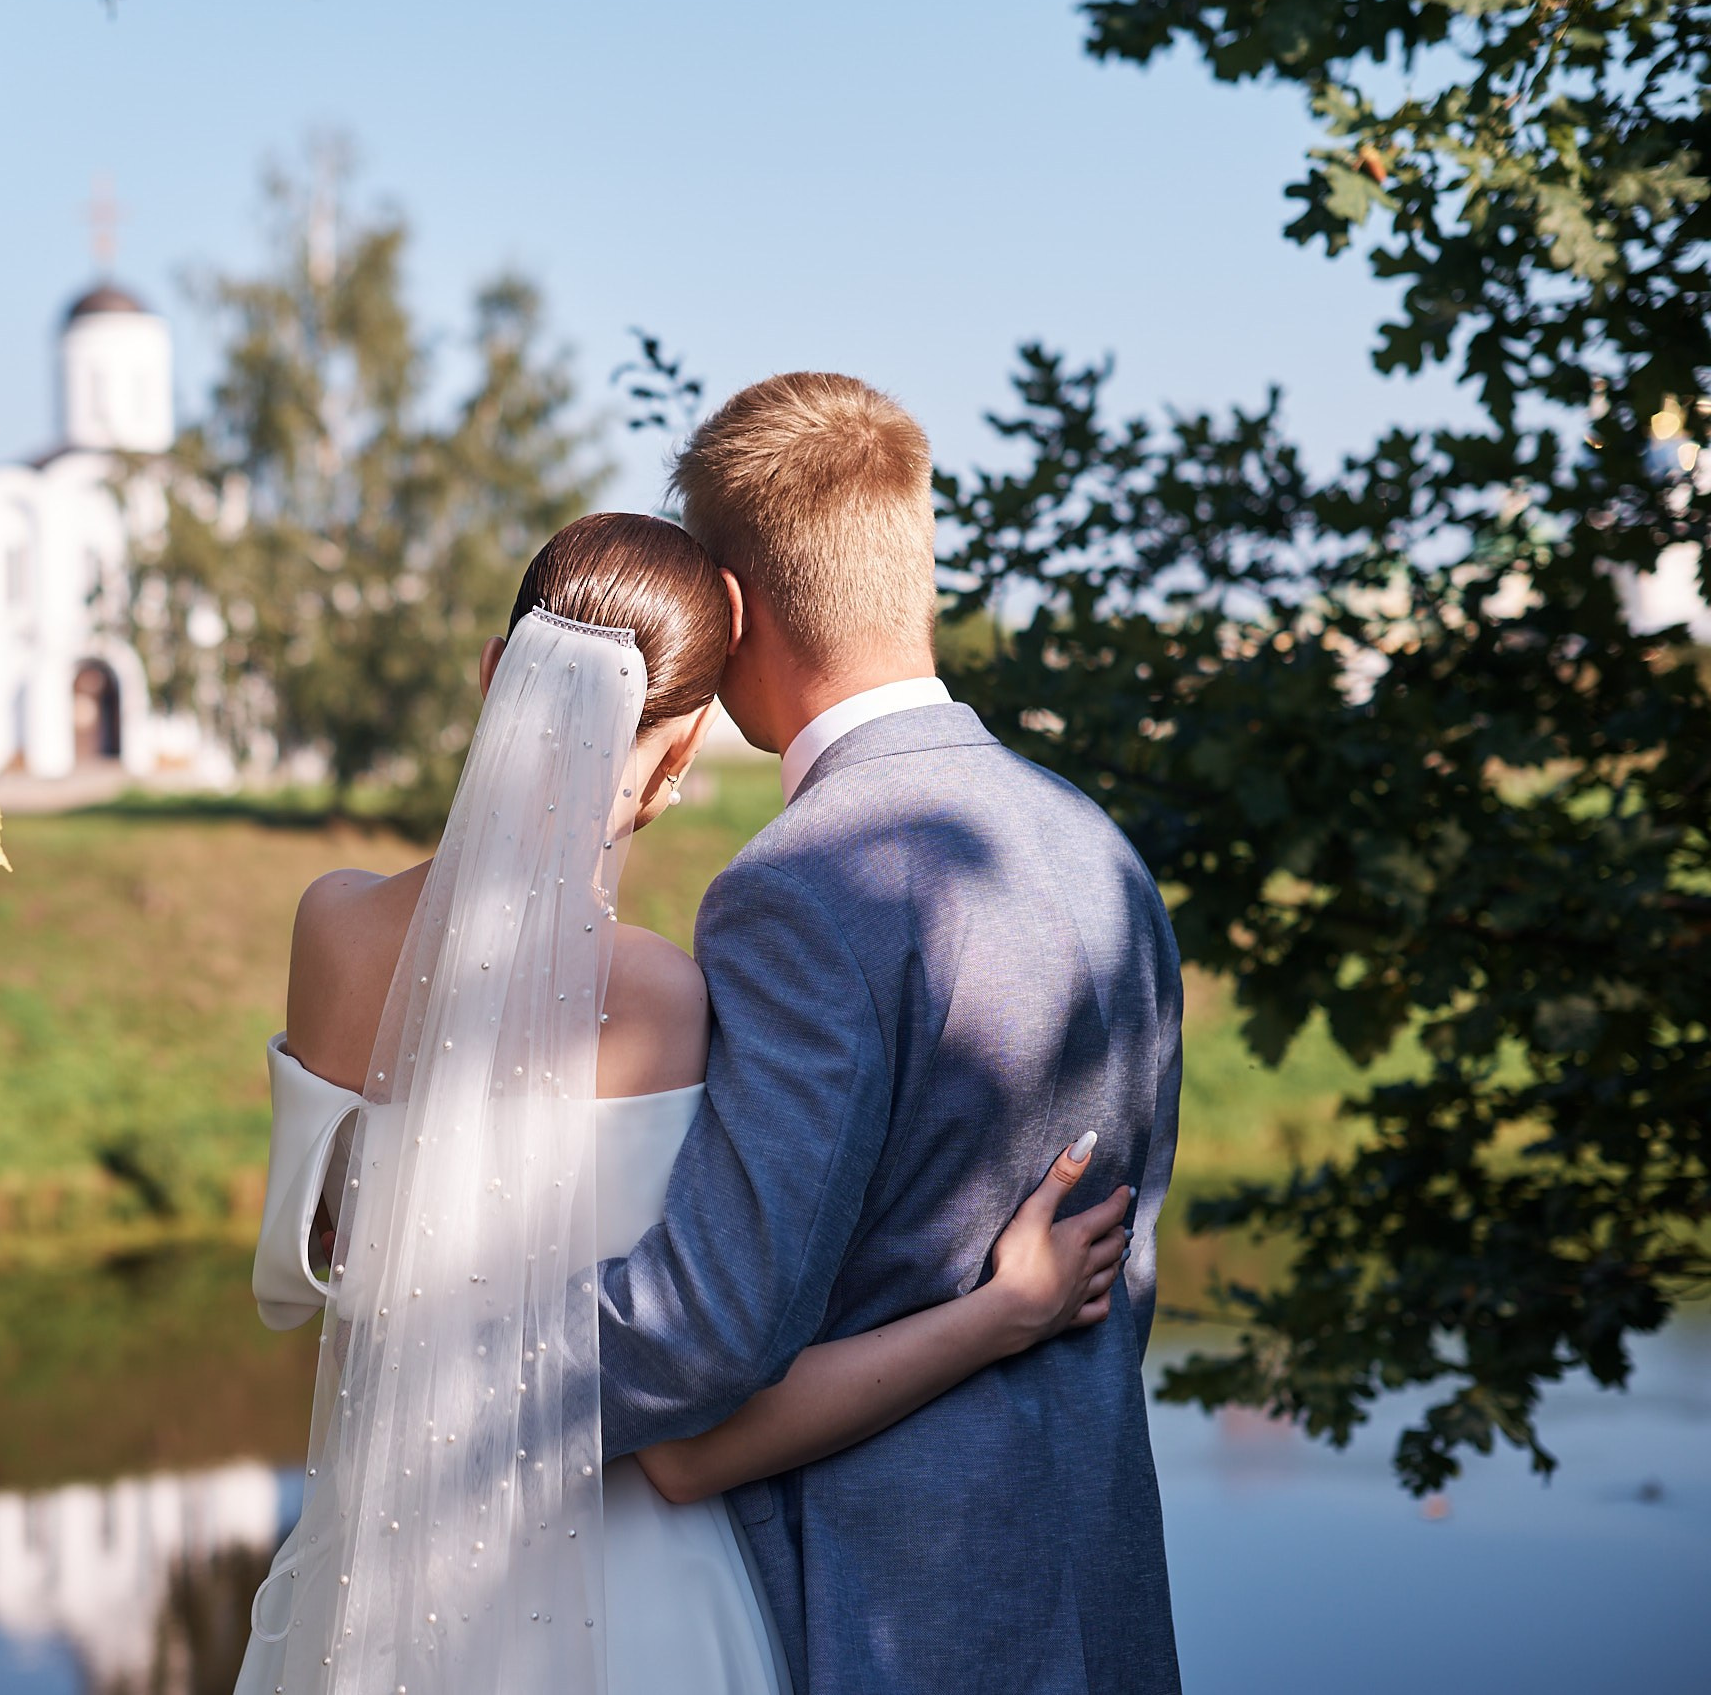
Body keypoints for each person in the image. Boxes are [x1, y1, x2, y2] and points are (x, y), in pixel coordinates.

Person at [235, 508, 1145, 1695]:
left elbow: (301, 1269)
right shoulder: (655, 996)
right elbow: (685, 1430)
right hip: (614, 1601)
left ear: (492, 675)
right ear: (671, 763)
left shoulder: (332, 923)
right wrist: (999, 1313)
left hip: (370, 1569)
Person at [596, 375, 1185, 1693]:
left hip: (894, 1617)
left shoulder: (802, 887)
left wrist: (454, 1341)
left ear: (733, 609)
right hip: (1100, 1591)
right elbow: (1117, 1275)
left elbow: (707, 1330)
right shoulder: (1097, 846)